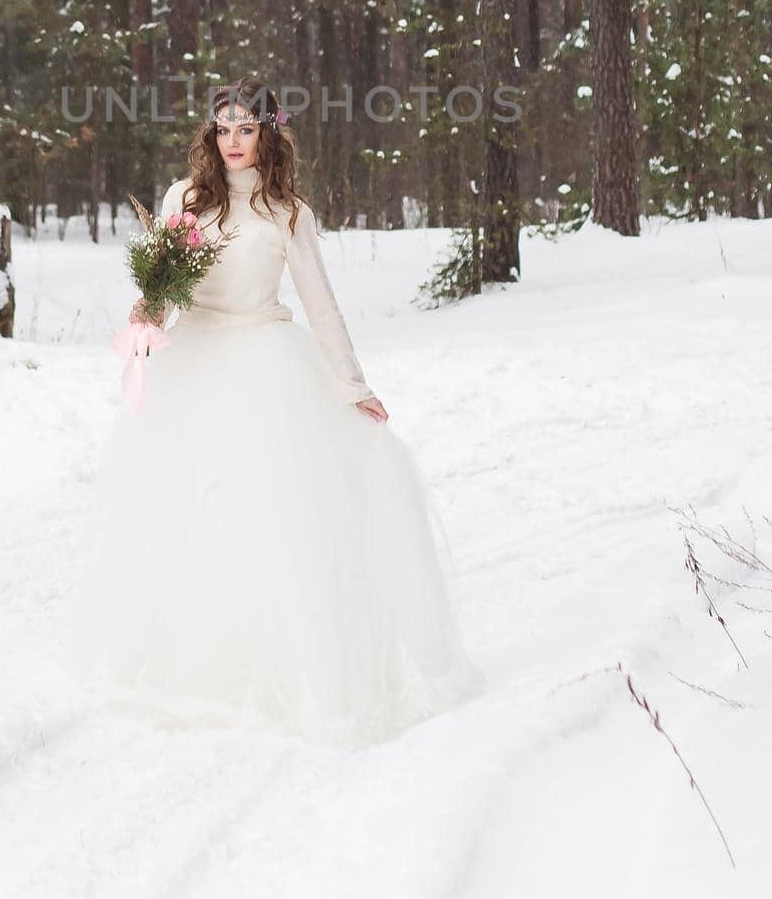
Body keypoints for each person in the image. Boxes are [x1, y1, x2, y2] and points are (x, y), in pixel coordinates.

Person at [67, 78, 486, 745]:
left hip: (266, 360)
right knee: (187, 511)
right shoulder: (184, 199)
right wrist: (151, 310)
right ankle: (191, 659)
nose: (233, 141)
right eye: (223, 127)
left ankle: (289, 664)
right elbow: (172, 287)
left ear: (266, 132)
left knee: (270, 515)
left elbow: (319, 300)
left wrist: (352, 384)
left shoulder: (287, 212)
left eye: (246, 127)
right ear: (211, 133)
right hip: (195, 364)